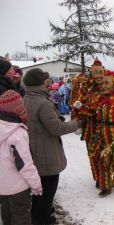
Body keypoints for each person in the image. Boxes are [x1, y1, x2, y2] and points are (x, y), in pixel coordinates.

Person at [23, 68, 81, 225]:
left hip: (33, 149)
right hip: (45, 152)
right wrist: (77, 123)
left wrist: (56, 118)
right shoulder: (42, 103)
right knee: (48, 188)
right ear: (40, 83)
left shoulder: (26, 98)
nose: (47, 83)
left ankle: (38, 213)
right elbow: (57, 129)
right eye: (45, 80)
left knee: (38, 188)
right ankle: (42, 218)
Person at [0, 90, 42, 225]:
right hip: (18, 188)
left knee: (7, 217)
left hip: (2, 187)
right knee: (21, 218)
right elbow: (25, 164)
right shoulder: (17, 134)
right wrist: (36, 185)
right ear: (18, 110)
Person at [72, 59, 105, 188]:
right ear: (91, 73)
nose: (98, 76)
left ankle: (105, 177)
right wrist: (78, 111)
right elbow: (78, 104)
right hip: (90, 126)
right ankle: (97, 177)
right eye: (95, 72)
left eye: (100, 72)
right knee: (92, 153)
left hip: (105, 127)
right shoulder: (85, 87)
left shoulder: (109, 86)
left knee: (105, 152)